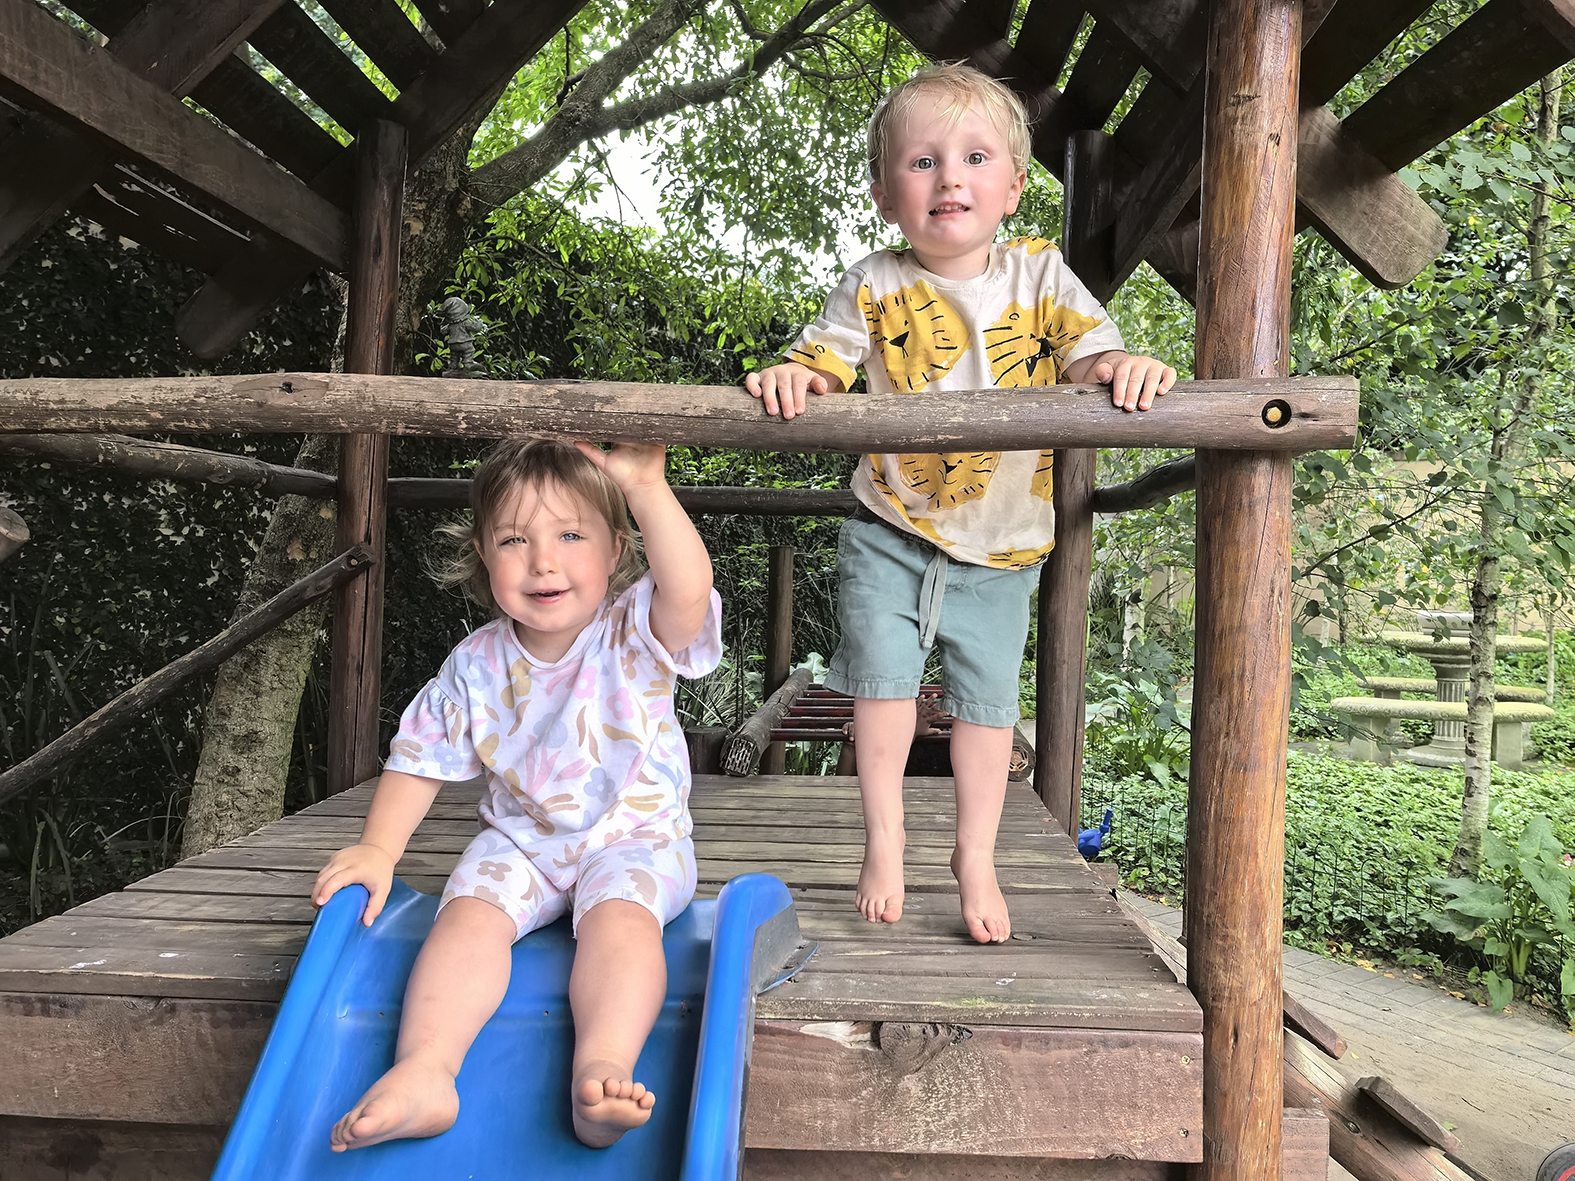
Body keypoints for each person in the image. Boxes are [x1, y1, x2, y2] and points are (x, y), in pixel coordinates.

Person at [744, 64, 1175, 945]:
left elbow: (1092, 354)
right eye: (923, 162)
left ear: (1013, 186)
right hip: (890, 523)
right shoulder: (872, 282)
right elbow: (823, 363)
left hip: (1003, 541)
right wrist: (796, 374)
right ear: (882, 193)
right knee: (880, 685)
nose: (949, 178)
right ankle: (886, 836)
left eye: (975, 157)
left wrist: (1117, 367)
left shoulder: (1040, 275)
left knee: (985, 709)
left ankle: (973, 852)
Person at [311, 437, 721, 1151]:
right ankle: (426, 1069)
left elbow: (687, 592)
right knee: (464, 917)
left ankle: (601, 1071)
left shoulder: (635, 630)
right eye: (513, 538)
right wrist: (378, 849)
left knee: (620, 922)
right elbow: (418, 759)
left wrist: (647, 487)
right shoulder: (476, 663)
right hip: (523, 842)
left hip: (636, 837)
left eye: (570, 534)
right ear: (482, 553)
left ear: (617, 547)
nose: (544, 560)